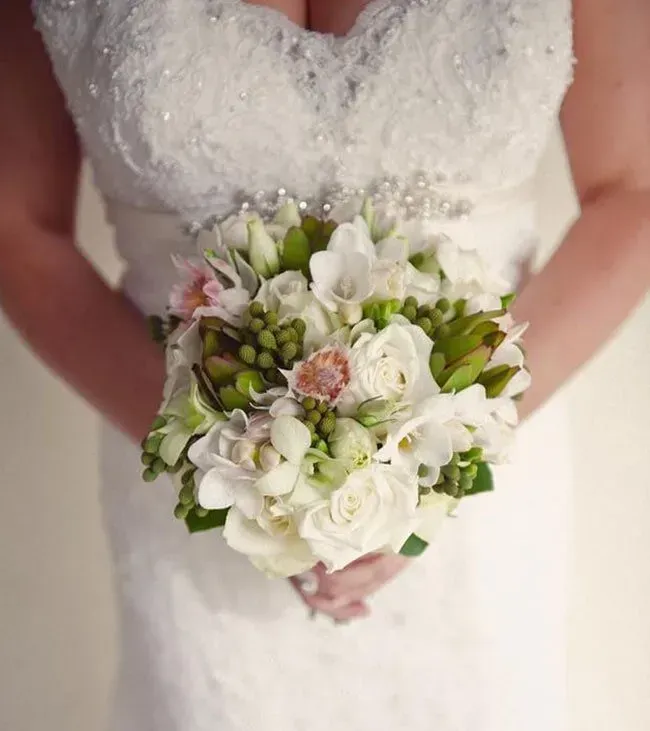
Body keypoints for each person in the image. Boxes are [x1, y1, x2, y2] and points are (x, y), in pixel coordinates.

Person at [1, 1, 649, 729]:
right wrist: (229, 461)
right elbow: (16, 223)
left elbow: (634, 187)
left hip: (481, 503)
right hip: (194, 499)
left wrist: (438, 455)